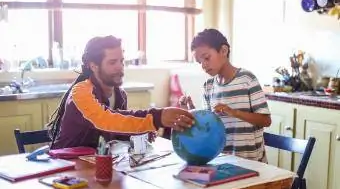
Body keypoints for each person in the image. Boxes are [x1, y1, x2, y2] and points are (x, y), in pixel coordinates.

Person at [48, 35, 194, 149]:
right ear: (94, 66)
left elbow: (114, 131)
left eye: (121, 61)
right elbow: (106, 120)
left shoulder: (120, 95)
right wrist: (157, 117)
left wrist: (138, 132)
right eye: (112, 62)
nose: (120, 67)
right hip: (67, 167)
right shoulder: (80, 92)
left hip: (96, 165)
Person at [179, 29, 271, 162]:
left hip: (252, 164)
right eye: (200, 62)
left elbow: (266, 120)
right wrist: (190, 111)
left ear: (223, 51)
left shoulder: (247, 79)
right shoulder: (208, 86)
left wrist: (234, 112)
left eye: (206, 58)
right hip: (222, 161)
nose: (203, 65)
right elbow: (207, 127)